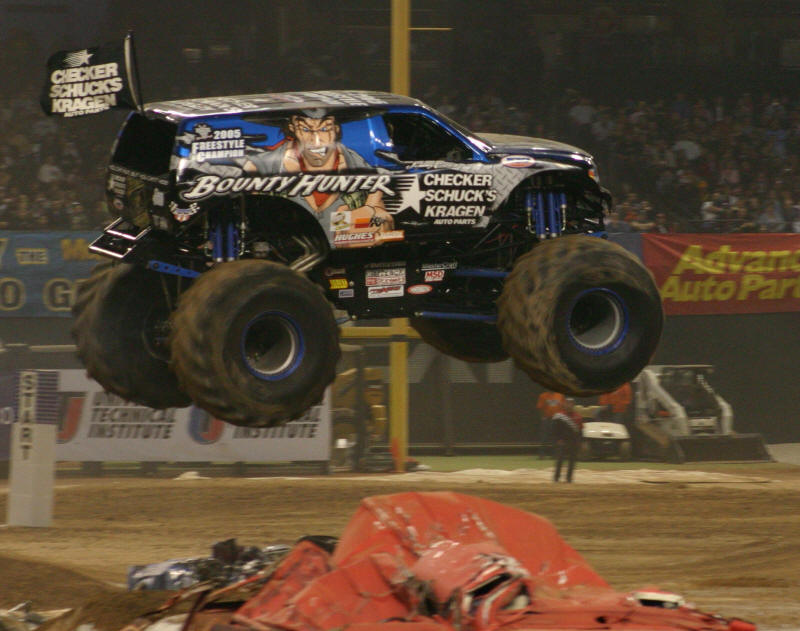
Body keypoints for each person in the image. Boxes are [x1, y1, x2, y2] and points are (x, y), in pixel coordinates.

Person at [242, 109, 395, 244]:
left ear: (335, 129)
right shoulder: (259, 169)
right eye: (306, 130)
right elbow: (249, 223)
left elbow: (383, 221)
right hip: (283, 264)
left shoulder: (363, 170)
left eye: (324, 128)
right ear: (293, 129)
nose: (316, 140)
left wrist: (375, 222)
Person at [551, 398, 583, 483]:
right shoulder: (559, 416)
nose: (569, 405)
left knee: (572, 462)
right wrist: (558, 440)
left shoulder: (578, 417)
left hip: (573, 442)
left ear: (573, 405)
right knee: (560, 460)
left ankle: (569, 479)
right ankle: (556, 478)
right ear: (564, 404)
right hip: (562, 441)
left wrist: (579, 442)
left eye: (571, 403)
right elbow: (554, 430)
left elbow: (580, 431)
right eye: (567, 403)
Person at [535, 390, 565, 458]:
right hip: (547, 419)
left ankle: (555, 454)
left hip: (557, 419)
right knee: (544, 437)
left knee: (555, 437)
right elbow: (540, 408)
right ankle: (542, 455)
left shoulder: (560, 395)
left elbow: (563, 407)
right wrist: (543, 418)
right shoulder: (543, 396)